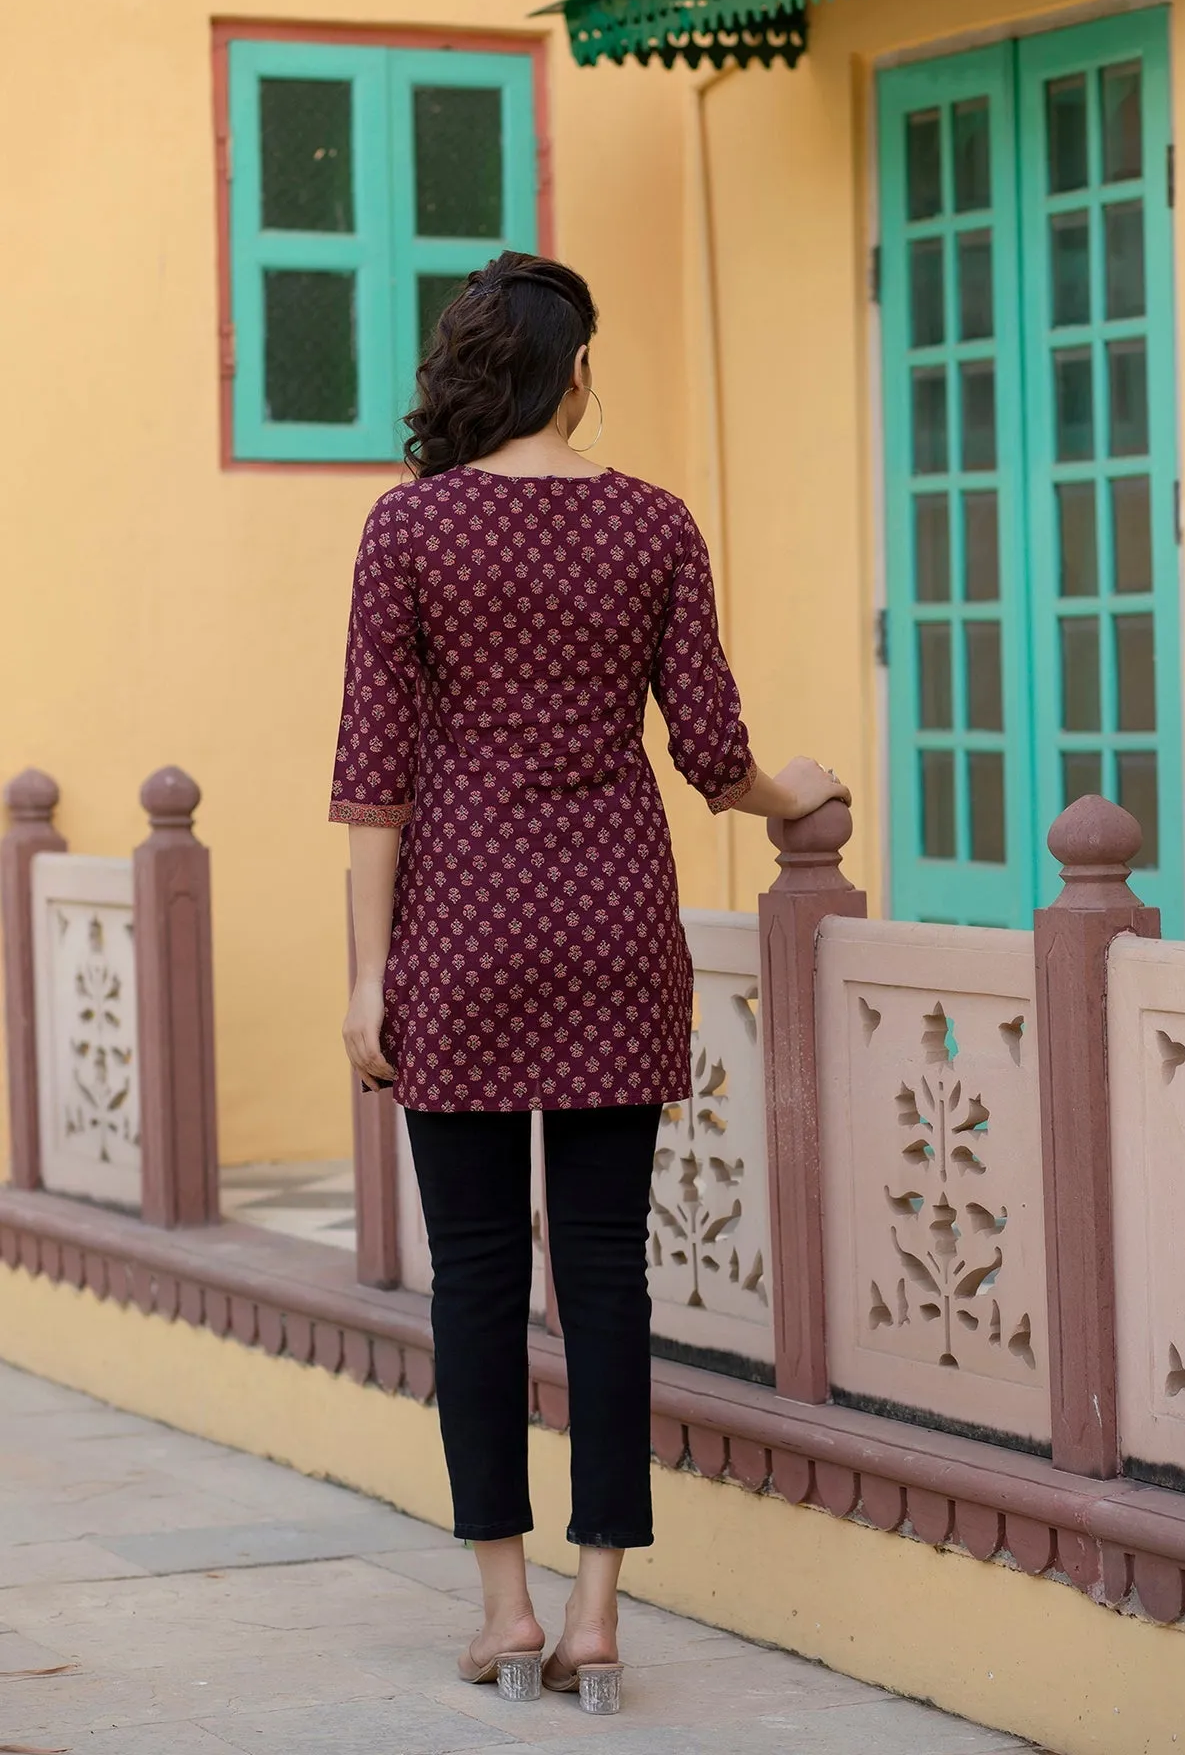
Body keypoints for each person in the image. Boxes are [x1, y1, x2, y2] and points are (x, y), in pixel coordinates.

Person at [331, 250, 850, 1711]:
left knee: (480, 1281)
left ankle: (502, 1608)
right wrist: (789, 790)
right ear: (576, 370)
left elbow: (372, 784)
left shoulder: (409, 529)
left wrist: (368, 982)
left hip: (465, 929)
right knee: (609, 1271)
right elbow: (711, 750)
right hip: (619, 924)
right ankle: (601, 1607)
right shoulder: (653, 523)